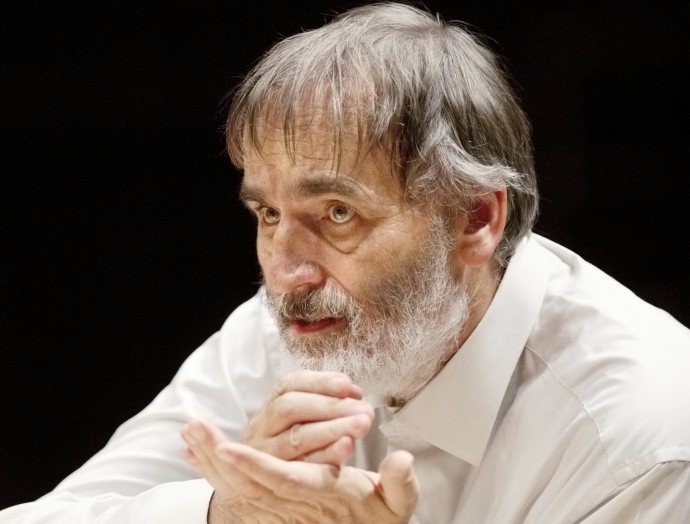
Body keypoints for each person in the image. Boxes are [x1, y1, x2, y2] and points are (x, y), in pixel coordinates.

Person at [2, 2, 689, 523]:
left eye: (338, 214)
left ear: (475, 218)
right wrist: (227, 514)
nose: (286, 277)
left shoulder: (646, 440)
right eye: (268, 215)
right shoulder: (283, 333)